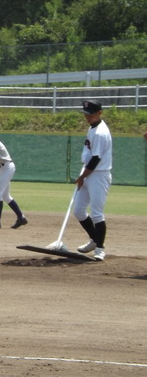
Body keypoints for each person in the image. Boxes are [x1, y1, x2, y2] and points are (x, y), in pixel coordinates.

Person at [74, 100, 112, 261]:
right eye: (86, 114)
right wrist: (84, 174)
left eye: (90, 114)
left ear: (99, 113)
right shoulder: (92, 128)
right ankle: (94, 240)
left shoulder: (100, 132)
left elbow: (96, 159)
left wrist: (82, 177)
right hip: (89, 171)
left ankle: (100, 249)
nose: (87, 117)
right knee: (79, 211)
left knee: (97, 213)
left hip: (99, 174)